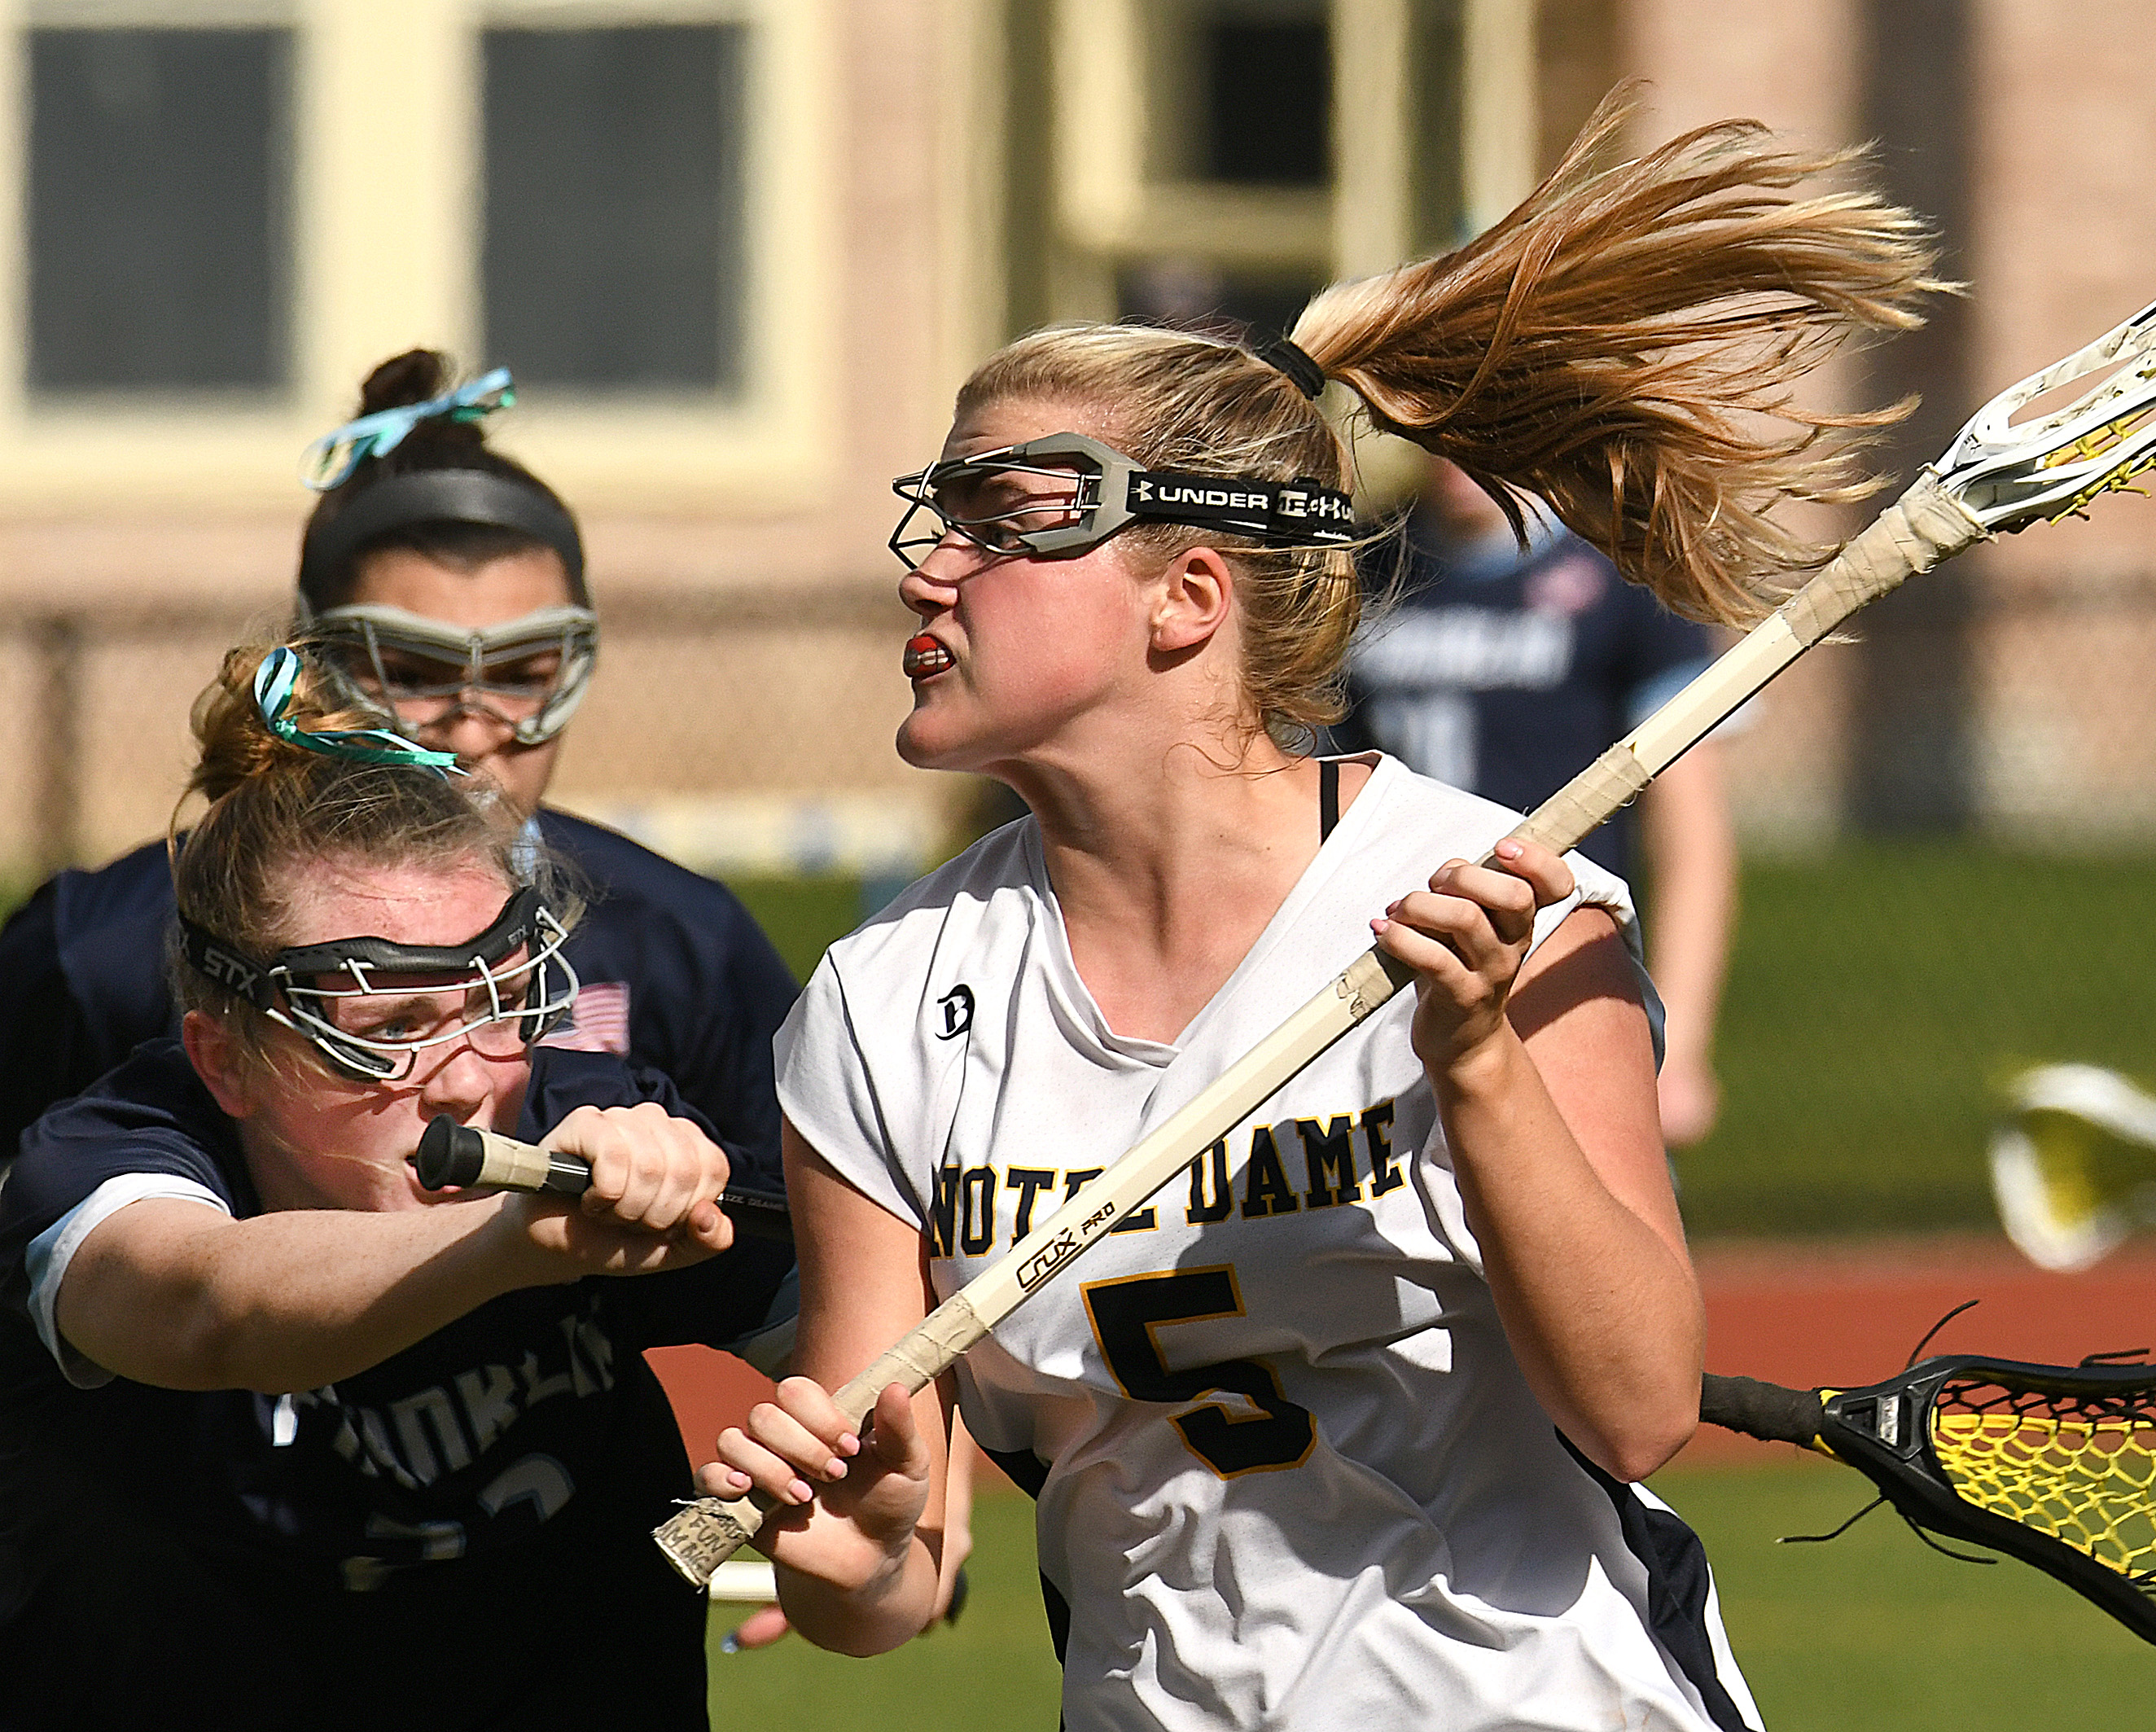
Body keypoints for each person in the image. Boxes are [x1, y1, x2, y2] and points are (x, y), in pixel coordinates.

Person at [699, 102, 1939, 1729]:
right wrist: (839, 1535)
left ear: (1188, 596)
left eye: (1007, 524)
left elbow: (1636, 1408)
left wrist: (1478, 1057)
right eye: (940, 516)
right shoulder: (879, 1006)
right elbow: (895, 1579)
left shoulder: (1493, 905)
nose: (931, 570)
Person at [0, 646, 795, 1729]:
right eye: (389, 1030)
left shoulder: (584, 1106)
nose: (468, 1080)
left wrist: (874, 1475)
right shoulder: (107, 1153)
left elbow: (829, 1310)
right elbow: (209, 1305)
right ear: (225, 1055)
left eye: (503, 1002)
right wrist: (513, 1238)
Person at [0, 350, 800, 1177]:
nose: (472, 729)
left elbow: (795, 1241)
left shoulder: (683, 940)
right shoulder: (97, 949)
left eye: (523, 676)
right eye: (414, 673)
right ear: (311, 659)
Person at [1341, 456, 1742, 1142]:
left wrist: (1683, 1036)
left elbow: (1692, 832)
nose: (1453, 449)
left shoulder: (1621, 572)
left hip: (1560, 967)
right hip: (1392, 972)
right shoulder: (1361, 565)